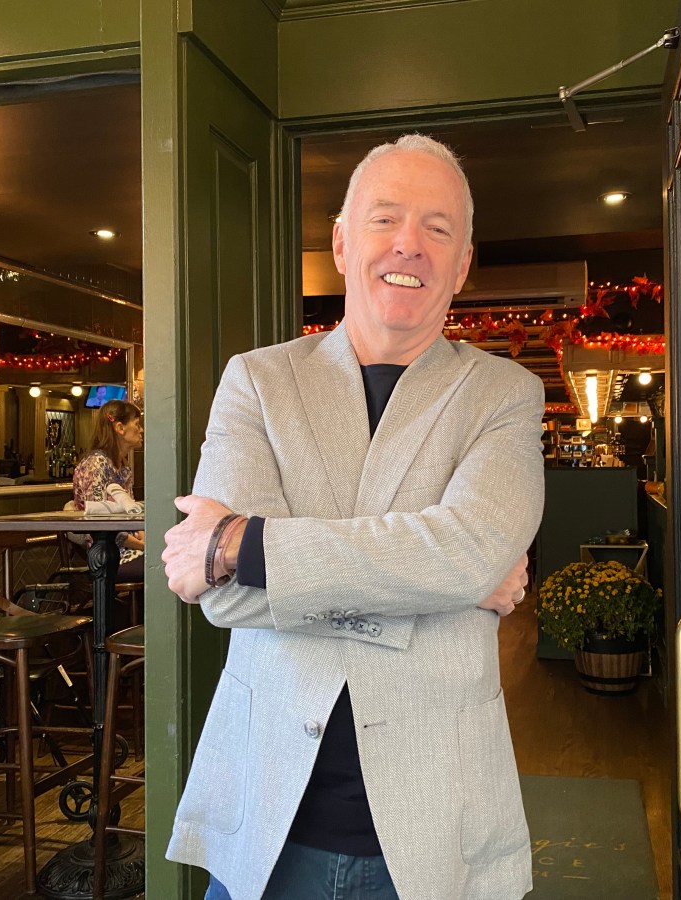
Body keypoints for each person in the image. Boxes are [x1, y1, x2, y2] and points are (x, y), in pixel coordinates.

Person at [162, 134, 544, 900]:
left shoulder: (503, 393)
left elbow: (468, 553)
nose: (410, 244)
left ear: (463, 262)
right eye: (385, 219)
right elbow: (229, 599)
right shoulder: (258, 381)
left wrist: (245, 543)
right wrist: (444, 582)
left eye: (439, 229)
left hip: (436, 821)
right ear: (341, 242)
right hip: (268, 815)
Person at [72, 398, 145, 581]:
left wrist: (144, 538)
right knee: (167, 567)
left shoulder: (124, 467)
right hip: (107, 553)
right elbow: (98, 522)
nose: (141, 430)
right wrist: (142, 545)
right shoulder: (96, 464)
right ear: (120, 428)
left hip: (133, 547)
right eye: (137, 424)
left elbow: (132, 512)